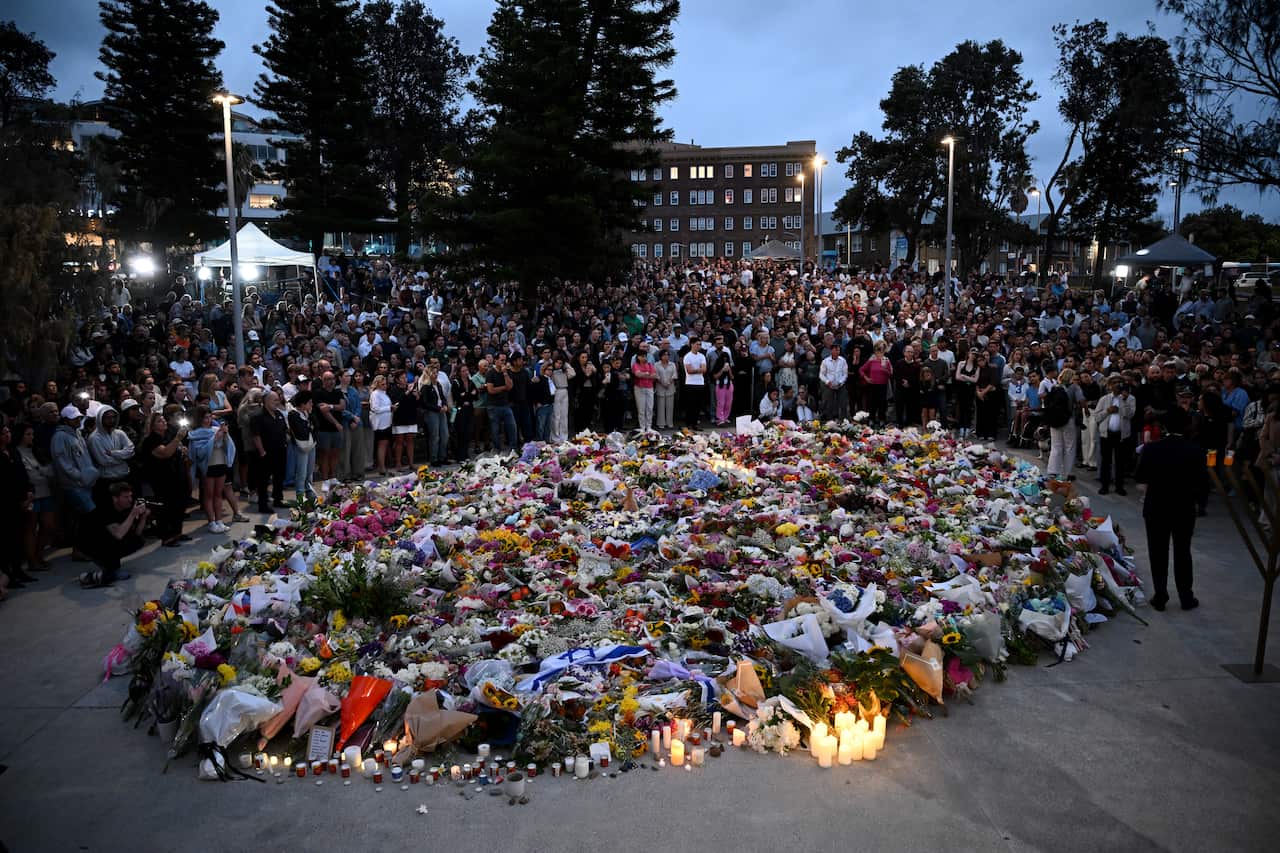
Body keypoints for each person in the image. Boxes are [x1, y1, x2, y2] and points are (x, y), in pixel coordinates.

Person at [1134, 407, 1208, 611]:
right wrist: (1199, 502)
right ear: (1187, 425)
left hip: (1156, 506)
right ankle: (1186, 596)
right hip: (1184, 507)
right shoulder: (1196, 450)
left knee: (1158, 552)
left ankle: (1160, 595)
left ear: (1163, 425)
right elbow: (1203, 482)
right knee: (1183, 551)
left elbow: (1140, 476)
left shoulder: (1151, 449)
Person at [78, 481, 150, 588]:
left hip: (105, 540)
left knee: (137, 540)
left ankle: (109, 571)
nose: (130, 500)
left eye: (130, 496)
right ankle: (106, 571)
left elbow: (138, 533)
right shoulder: (105, 510)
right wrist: (133, 514)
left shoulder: (126, 508)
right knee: (115, 539)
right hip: (89, 543)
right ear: (115, 498)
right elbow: (119, 534)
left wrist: (144, 517)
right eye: (126, 497)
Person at [188, 405, 245, 532]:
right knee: (209, 495)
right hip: (207, 467)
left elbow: (229, 448)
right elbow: (200, 453)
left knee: (218, 494)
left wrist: (225, 435)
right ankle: (211, 522)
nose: (207, 420)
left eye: (209, 417)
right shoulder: (195, 434)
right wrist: (215, 439)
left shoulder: (215, 429)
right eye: (204, 418)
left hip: (221, 463)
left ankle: (219, 520)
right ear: (199, 419)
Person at [138, 412, 190, 546]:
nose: (164, 422)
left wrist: (182, 449)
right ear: (152, 425)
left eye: (164, 420)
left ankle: (177, 533)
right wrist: (178, 439)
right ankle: (166, 536)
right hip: (162, 478)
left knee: (179, 505)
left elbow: (174, 449)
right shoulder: (151, 440)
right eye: (159, 421)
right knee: (167, 507)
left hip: (176, 475)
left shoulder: (168, 435)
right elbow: (165, 453)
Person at [0, 419, 35, 592]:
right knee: (7, 542)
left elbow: (22, 474)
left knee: (19, 539)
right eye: (3, 433)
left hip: (22, 500)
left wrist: (28, 492)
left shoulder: (13, 452)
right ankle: (8, 574)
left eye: (8, 432)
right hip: (6, 504)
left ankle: (18, 570)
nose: (7, 435)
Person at [51, 404, 99, 518]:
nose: (78, 419)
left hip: (86, 483)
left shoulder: (77, 433)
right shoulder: (59, 436)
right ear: (66, 420)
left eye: (79, 417)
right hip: (74, 485)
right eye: (74, 418)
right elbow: (62, 462)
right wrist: (79, 476)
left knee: (84, 517)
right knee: (88, 514)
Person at [1092, 376, 1136, 495]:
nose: (1117, 385)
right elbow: (1096, 417)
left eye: (1119, 383)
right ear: (1110, 385)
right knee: (1106, 461)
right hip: (1106, 435)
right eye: (1114, 383)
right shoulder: (1104, 399)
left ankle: (1119, 486)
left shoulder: (1130, 399)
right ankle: (1104, 485)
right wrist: (1108, 411)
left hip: (1122, 436)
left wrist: (1124, 401)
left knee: (1120, 462)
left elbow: (1130, 414)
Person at [86, 405, 134, 506]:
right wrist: (123, 457)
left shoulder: (120, 433)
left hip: (124, 476)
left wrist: (114, 453)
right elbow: (104, 461)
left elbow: (131, 451)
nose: (111, 420)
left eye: (113, 417)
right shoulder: (94, 438)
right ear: (100, 418)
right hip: (108, 480)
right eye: (108, 417)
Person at [251, 390, 288, 512]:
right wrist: (262, 452)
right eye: (275, 400)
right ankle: (263, 505)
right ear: (266, 401)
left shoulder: (279, 414)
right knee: (263, 479)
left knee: (279, 476)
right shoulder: (258, 416)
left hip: (280, 451)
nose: (277, 402)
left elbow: (284, 430)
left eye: (278, 400)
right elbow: (256, 436)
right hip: (266, 452)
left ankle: (277, 499)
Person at [1045, 368, 1082, 481]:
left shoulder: (1054, 387)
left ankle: (1052, 471)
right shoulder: (1074, 387)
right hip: (1068, 419)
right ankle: (1067, 472)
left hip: (1054, 420)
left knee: (1056, 446)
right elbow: (1081, 401)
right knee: (1069, 446)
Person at [311, 371, 345, 482]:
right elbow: (324, 411)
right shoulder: (318, 393)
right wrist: (336, 423)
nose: (331, 381)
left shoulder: (338, 392)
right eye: (328, 379)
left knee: (335, 453)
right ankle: (325, 477)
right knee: (324, 453)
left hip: (336, 429)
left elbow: (342, 406)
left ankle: (333, 476)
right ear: (323, 380)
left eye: (332, 379)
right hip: (324, 428)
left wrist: (330, 406)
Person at [485, 353, 519, 452]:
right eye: (502, 360)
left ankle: (513, 449)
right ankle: (497, 449)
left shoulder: (507, 372)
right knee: (495, 430)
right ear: (496, 361)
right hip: (493, 406)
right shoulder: (490, 373)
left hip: (505, 404)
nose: (504, 362)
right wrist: (504, 388)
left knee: (512, 427)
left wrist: (505, 373)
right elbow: (491, 390)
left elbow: (510, 386)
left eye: (505, 360)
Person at [287, 390, 317, 499]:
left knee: (309, 472)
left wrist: (310, 416)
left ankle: (310, 493)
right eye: (309, 402)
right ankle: (300, 497)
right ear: (303, 403)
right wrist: (309, 425)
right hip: (301, 446)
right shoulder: (293, 414)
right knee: (301, 473)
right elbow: (301, 431)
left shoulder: (308, 413)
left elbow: (316, 426)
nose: (311, 404)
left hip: (311, 444)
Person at [369, 374, 393, 475]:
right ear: (377, 384)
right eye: (382, 384)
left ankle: (383, 465)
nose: (385, 385)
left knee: (385, 444)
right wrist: (389, 408)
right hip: (380, 424)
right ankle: (381, 467)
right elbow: (375, 408)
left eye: (385, 384)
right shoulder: (375, 394)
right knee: (382, 445)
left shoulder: (384, 393)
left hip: (386, 422)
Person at [681, 338, 708, 427]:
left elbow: (704, 369)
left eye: (700, 344)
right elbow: (689, 370)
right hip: (690, 383)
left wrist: (696, 370)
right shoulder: (687, 356)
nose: (699, 346)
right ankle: (689, 423)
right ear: (692, 344)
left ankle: (695, 423)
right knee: (690, 405)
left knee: (698, 405)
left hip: (700, 383)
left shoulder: (702, 356)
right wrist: (699, 369)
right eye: (697, 344)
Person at [819, 343, 848, 421]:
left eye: (838, 350)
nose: (837, 352)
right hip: (829, 385)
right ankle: (829, 420)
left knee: (843, 403)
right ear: (831, 350)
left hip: (840, 385)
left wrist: (840, 382)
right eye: (836, 350)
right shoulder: (825, 361)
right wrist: (827, 382)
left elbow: (845, 374)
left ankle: (843, 421)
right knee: (829, 403)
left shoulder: (843, 360)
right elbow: (821, 374)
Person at [632, 342, 657, 432]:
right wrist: (647, 374)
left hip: (649, 387)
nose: (644, 358)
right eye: (642, 356)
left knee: (650, 408)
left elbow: (654, 376)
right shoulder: (635, 365)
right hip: (639, 388)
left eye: (645, 356)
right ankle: (642, 426)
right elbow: (638, 374)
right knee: (641, 408)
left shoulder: (650, 365)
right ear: (638, 357)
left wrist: (645, 375)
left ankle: (649, 426)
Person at [653, 349, 677, 430]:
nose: (666, 356)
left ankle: (669, 423)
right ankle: (661, 424)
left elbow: (674, 375)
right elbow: (656, 375)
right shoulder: (656, 365)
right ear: (661, 356)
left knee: (670, 406)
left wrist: (669, 383)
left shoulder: (672, 364)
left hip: (670, 386)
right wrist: (662, 383)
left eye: (667, 355)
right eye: (664, 355)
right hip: (660, 386)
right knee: (660, 406)